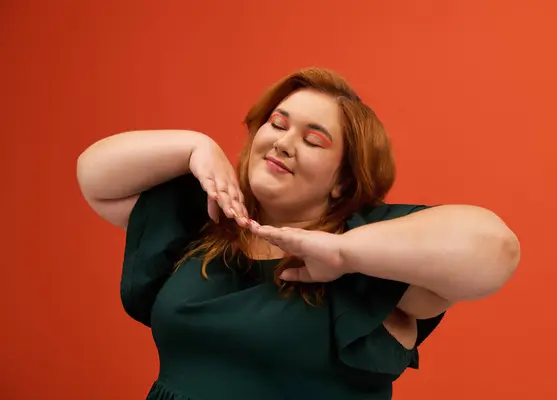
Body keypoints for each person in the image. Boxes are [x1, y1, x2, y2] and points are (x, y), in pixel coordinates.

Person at [77, 67, 520, 400]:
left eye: (315, 140)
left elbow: (495, 248)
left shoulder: (374, 251)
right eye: (277, 123)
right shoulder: (210, 219)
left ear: (343, 181)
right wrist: (194, 145)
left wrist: (345, 252)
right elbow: (95, 177)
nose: (283, 143)